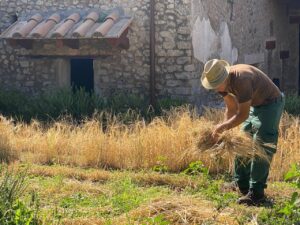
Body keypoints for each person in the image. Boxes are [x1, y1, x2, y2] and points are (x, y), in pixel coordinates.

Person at [200, 59, 285, 205]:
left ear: (224, 78)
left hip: (271, 103)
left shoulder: (242, 80)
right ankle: (241, 184)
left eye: (215, 86)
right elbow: (232, 109)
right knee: (240, 140)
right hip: (255, 105)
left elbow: (243, 115)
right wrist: (226, 132)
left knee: (261, 145)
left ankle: (256, 193)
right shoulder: (221, 83)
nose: (215, 89)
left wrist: (221, 128)